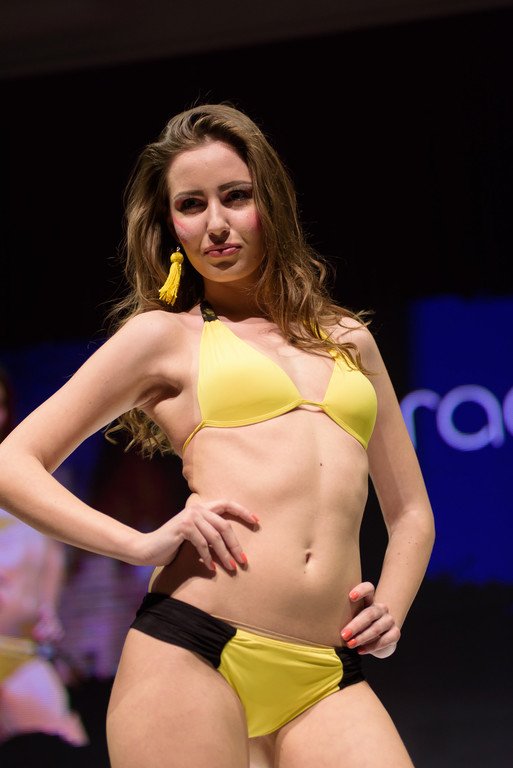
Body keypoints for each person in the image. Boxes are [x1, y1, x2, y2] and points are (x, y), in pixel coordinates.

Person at [0, 102, 435, 767]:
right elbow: (13, 463)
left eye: (235, 196)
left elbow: (410, 515)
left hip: (327, 671)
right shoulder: (163, 337)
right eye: (191, 205)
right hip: (192, 648)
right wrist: (139, 544)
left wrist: (393, 611)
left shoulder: (349, 339)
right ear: (170, 224)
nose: (216, 224)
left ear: (271, 202)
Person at [0, 368, 88, 751]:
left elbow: (51, 546)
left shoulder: (27, 472)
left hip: (21, 650)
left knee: (62, 748)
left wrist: (49, 609)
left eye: (0, 403)